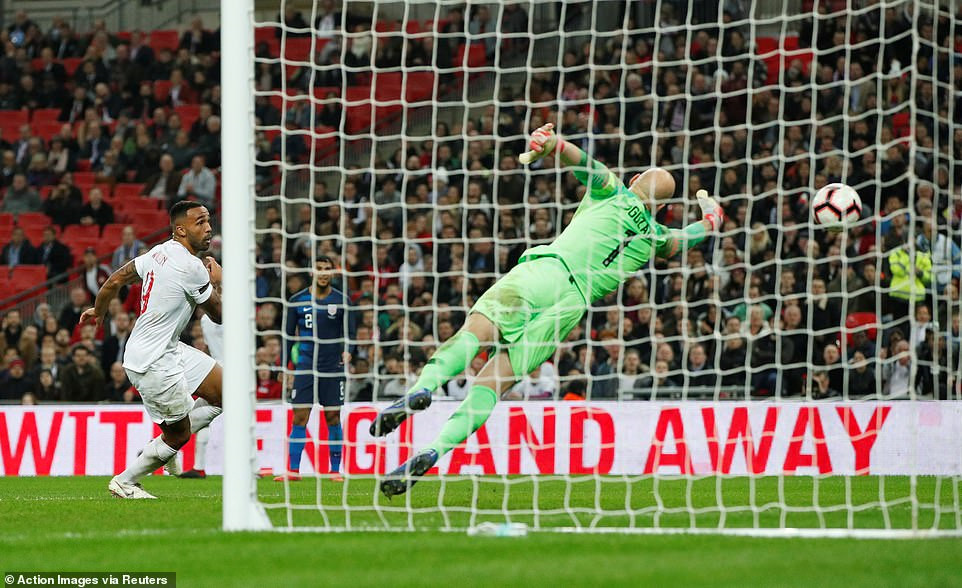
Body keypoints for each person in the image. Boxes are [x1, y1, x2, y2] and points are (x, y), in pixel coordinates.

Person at [370, 122, 724, 496]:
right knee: (495, 381)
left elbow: (580, 159)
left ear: (634, 179)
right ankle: (434, 450)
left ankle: (423, 387)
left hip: (545, 273)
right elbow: (684, 240)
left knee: (476, 332)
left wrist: (551, 142)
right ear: (663, 208)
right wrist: (710, 220)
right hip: (571, 306)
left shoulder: (612, 190)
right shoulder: (656, 236)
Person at [80, 201, 223, 499]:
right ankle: (126, 481)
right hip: (152, 361)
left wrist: (98, 309)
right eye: (200, 222)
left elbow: (115, 280)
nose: (208, 228)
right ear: (180, 230)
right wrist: (218, 282)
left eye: (209, 221)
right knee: (179, 435)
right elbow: (219, 315)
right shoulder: (192, 268)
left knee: (227, 392)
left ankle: (164, 444)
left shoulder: (158, 252)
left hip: (168, 348)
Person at [276, 256, 353, 482]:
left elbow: (350, 333)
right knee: (299, 417)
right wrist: (283, 366)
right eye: (319, 268)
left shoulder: (342, 300)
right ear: (312, 272)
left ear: (332, 273)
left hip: (332, 366)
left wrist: (349, 350)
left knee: (333, 416)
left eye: (327, 269)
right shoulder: (296, 300)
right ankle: (293, 471)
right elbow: (288, 336)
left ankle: (335, 470)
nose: (323, 273)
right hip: (305, 366)